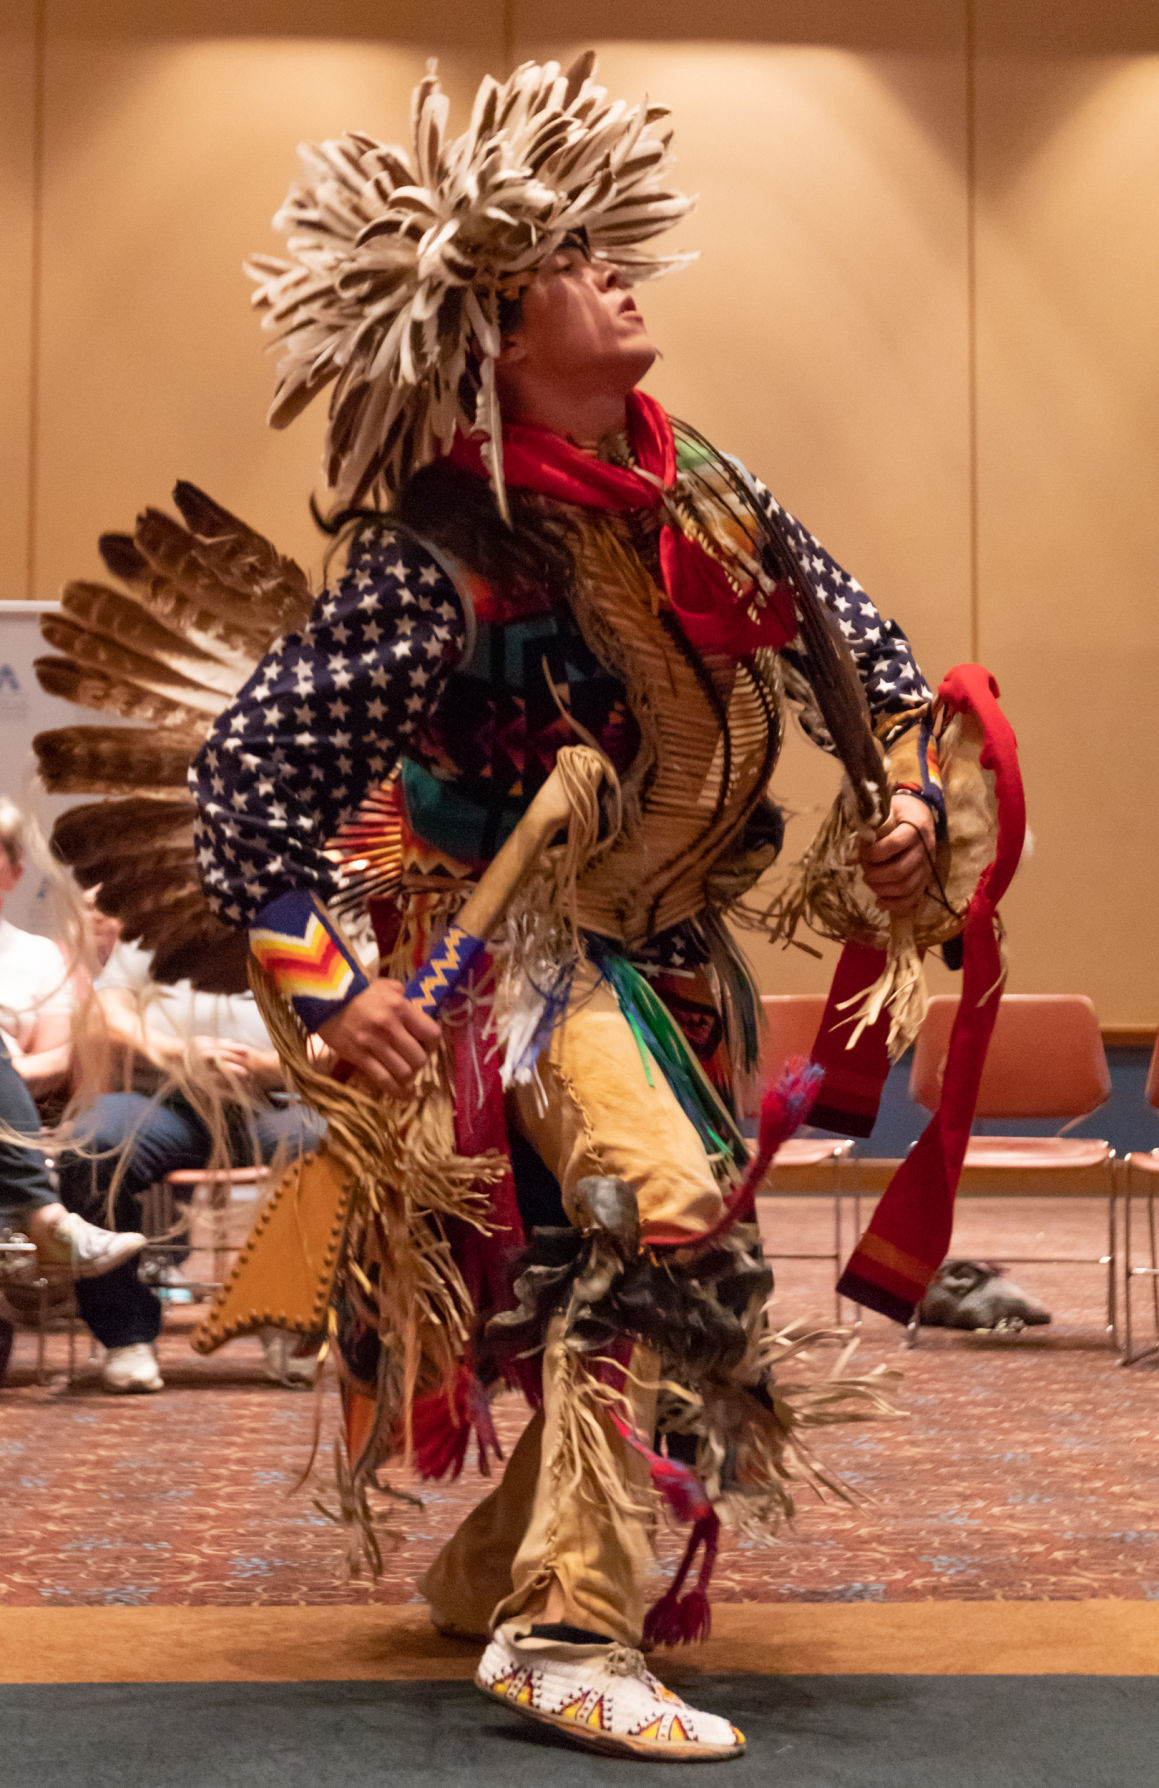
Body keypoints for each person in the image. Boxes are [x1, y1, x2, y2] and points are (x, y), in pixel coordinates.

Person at [190, 56, 950, 1760]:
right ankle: (561, 1626)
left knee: (701, 1270)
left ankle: (495, 1572)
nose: (614, 268)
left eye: (614, 244)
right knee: (663, 1205)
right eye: (569, 257)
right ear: (490, 330)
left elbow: (868, 666)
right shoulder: (446, 551)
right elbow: (247, 783)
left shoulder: (706, 488)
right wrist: (331, 987)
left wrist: (900, 802)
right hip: (520, 951)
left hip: (673, 951)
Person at [56, 932, 318, 1392]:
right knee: (91, 1141)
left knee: (328, 1145)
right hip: (167, 1101)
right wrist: (182, 1053)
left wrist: (265, 1063)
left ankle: (292, 1323)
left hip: (273, 1099)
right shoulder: (153, 929)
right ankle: (126, 1337)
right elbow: (106, 1016)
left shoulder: (304, 928)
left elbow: (342, 1039)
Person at [0, 799, 146, 1282]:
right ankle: (48, 1222)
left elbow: (58, 1060)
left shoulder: (40, 957)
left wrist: (4, 1071)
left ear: (15, 871)